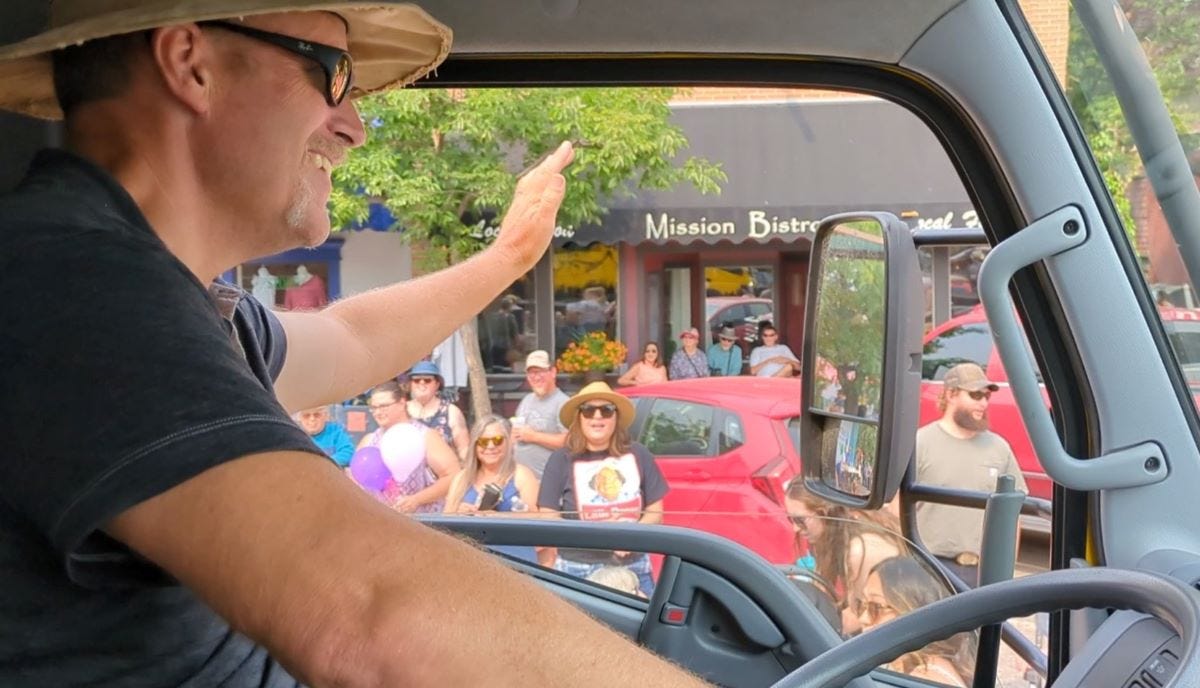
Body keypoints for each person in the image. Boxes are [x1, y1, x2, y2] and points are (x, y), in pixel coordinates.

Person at [0, 6, 705, 685]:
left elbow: (348, 337)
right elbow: (370, 616)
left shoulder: (159, 294)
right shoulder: (71, 281)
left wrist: (510, 257)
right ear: (191, 65)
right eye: (332, 74)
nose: (354, 128)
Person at [538, 382, 669, 597]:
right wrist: (601, 536)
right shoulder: (560, 459)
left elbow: (656, 511)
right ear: (579, 418)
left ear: (616, 417)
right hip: (577, 569)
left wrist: (630, 536)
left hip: (633, 567)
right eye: (589, 410)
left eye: (606, 410)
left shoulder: (639, 454)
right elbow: (547, 517)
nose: (597, 417)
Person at [915, 363, 1028, 587]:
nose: (983, 403)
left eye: (986, 396)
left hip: (981, 571)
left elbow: (1013, 516)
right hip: (928, 566)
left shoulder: (999, 448)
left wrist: (1006, 574)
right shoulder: (921, 442)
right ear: (951, 394)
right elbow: (894, 509)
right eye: (975, 395)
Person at [784, 479, 907, 636]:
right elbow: (821, 590)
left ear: (825, 513)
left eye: (800, 520)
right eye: (790, 519)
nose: (795, 528)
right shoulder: (829, 537)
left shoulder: (859, 549)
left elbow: (860, 615)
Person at [859, 557, 976, 686]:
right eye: (861, 605)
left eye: (877, 607)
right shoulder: (901, 669)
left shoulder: (927, 678)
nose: (863, 618)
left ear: (911, 610)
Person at [444, 415, 541, 562]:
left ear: (507, 442)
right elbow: (444, 524)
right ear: (475, 445)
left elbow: (536, 520)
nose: (490, 447)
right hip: (470, 560)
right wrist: (459, 513)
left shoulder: (521, 475)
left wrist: (498, 517)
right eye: (483, 441)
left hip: (516, 561)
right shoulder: (461, 479)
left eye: (497, 440)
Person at [355, 382, 458, 514]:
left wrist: (417, 499)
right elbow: (355, 481)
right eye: (373, 408)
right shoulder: (369, 441)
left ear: (402, 403)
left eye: (384, 406)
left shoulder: (425, 436)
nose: (378, 412)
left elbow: (453, 475)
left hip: (420, 521)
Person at [511, 350, 571, 477]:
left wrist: (533, 436)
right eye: (531, 373)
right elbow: (516, 434)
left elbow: (570, 442)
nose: (536, 377)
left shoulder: (563, 403)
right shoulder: (526, 400)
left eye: (540, 372)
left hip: (547, 481)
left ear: (553, 372)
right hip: (520, 479)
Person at [406, 360, 471, 463]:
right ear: (410, 384)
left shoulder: (451, 412)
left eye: (427, 380)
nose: (421, 383)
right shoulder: (402, 410)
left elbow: (464, 449)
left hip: (445, 474)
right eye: (416, 380)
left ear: (437, 384)